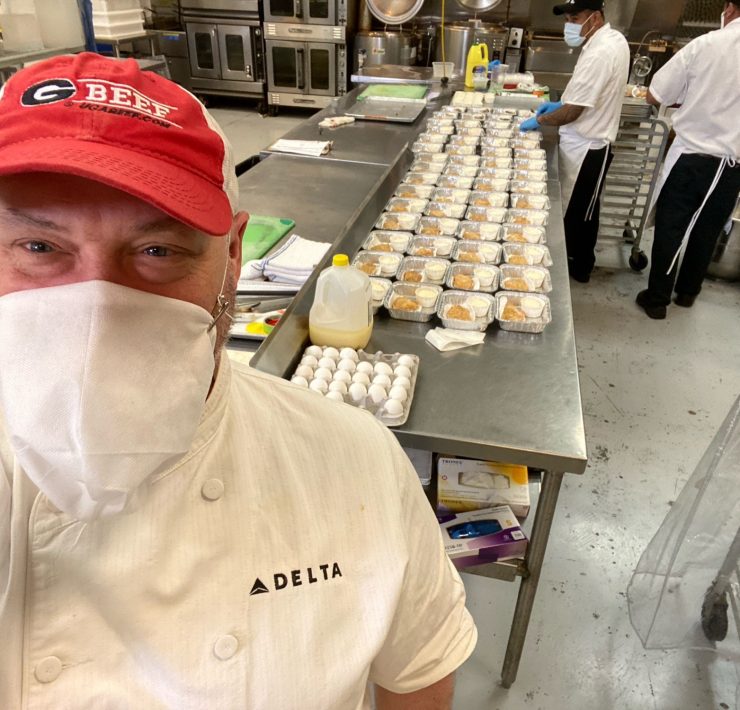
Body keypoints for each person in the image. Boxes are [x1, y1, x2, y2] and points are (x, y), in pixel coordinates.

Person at [0, 53, 477, 708]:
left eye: (156, 251)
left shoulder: (356, 467)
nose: (98, 311)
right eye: (39, 247)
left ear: (232, 260)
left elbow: (419, 673)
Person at [635, 1, 740, 319]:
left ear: (730, 8)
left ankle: (656, 299)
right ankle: (687, 294)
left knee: (672, 225)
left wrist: (692, 97)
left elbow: (656, 94)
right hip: (733, 165)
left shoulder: (707, 44)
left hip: (693, 156)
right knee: (707, 230)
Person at [520, 0, 630, 283]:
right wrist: (557, 103)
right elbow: (580, 97)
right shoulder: (608, 39)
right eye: (567, 17)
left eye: (575, 17)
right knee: (585, 210)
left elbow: (572, 112)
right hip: (584, 140)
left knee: (580, 213)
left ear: (594, 17)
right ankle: (580, 262)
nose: (570, 24)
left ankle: (578, 268)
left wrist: (541, 120)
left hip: (589, 147)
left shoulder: (602, 51)